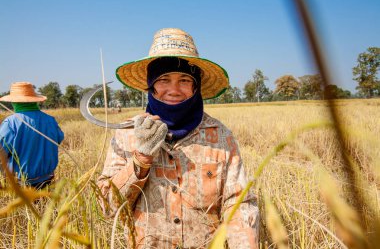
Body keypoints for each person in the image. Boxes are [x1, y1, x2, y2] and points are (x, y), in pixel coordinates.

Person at [97, 28, 259, 248]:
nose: (174, 90)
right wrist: (141, 159)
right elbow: (107, 208)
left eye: (184, 80)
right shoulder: (127, 134)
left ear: (196, 86)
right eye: (163, 79)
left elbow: (239, 204)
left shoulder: (220, 137)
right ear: (151, 86)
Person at [0, 82, 64, 189]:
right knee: (45, 205)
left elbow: (2, 151)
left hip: (21, 183)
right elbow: (59, 139)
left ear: (14, 102)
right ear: (34, 101)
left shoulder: (11, 123)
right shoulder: (50, 120)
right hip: (47, 179)